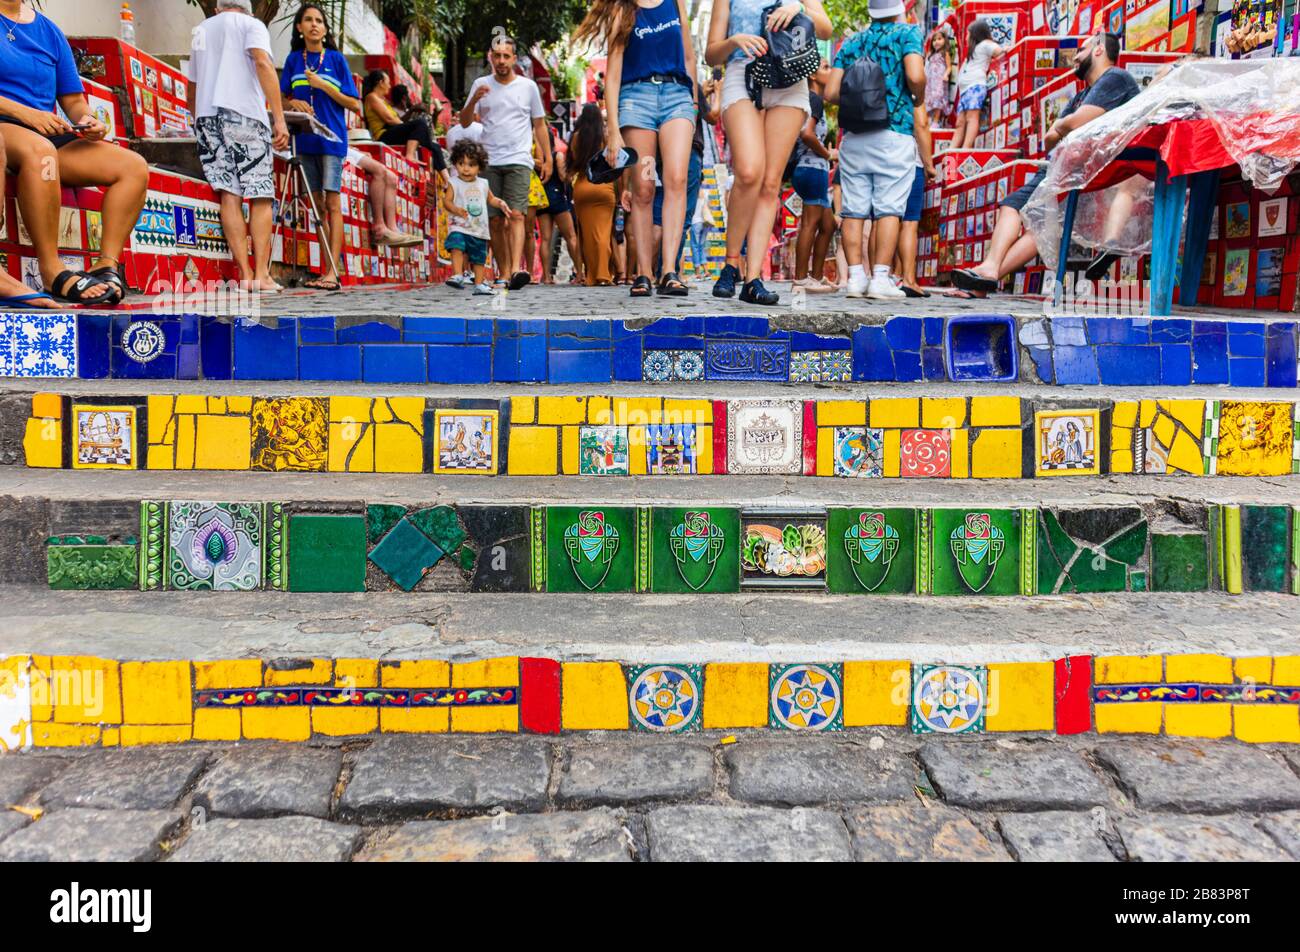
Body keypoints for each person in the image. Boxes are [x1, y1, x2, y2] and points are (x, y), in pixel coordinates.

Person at [953, 31, 1139, 294]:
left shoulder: (1115, 78)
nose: (1075, 57)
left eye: (1082, 50)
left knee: (1032, 222)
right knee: (1014, 209)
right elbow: (1050, 138)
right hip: (1066, 168)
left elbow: (1073, 123)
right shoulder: (1080, 96)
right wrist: (1067, 126)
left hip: (1092, 171)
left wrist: (1066, 125)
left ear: (1099, 49)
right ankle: (987, 274)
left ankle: (985, 276)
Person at [0, 0, 149, 306]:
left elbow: (73, 100)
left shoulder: (49, 31)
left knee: (132, 167)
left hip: (50, 132)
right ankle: (52, 269)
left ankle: (106, 263)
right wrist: (28, 114)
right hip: (8, 126)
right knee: (41, 154)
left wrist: (87, 120)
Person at [706, 0, 833, 304]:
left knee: (771, 182)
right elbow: (711, 53)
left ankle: (753, 279)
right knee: (749, 171)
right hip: (743, 73)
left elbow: (826, 29)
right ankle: (731, 263)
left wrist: (798, 11)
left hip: (789, 75)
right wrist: (734, 41)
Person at [576, 0, 698, 297]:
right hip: (636, 99)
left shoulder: (675, 3)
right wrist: (614, 131)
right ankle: (643, 272)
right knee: (643, 188)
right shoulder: (623, 10)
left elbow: (689, 56)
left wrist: (693, 102)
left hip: (676, 97)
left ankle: (668, 270)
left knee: (677, 179)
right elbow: (613, 75)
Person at [823, 0, 924, 300]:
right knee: (890, 208)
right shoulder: (907, 34)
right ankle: (880, 277)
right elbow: (916, 75)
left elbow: (830, 92)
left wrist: (861, 102)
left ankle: (855, 277)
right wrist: (915, 96)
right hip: (895, 132)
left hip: (856, 136)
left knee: (853, 209)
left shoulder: (852, 41)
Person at [187, 0, 289, 294]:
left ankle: (244, 275)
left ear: (218, 8)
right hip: (244, 115)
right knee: (259, 194)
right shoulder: (252, 25)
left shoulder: (201, 30)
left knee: (229, 194)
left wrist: (196, 120)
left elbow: (192, 85)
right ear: (248, 9)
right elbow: (262, 61)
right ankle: (261, 275)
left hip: (207, 118)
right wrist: (279, 119)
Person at [461, 35, 552, 290]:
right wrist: (474, 100)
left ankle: (514, 271)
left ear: (514, 59)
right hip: (489, 161)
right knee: (494, 221)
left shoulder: (528, 87)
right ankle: (502, 271)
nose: (501, 60)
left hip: (519, 160)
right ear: (491, 57)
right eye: (496, 55)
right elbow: (465, 121)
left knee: (517, 215)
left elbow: (539, 125)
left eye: (506, 56)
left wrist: (548, 158)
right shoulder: (481, 84)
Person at [280, 3, 359, 291]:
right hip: (304, 140)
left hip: (333, 139)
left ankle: (332, 273)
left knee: (333, 202)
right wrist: (292, 103)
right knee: (317, 206)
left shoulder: (336, 60)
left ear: (325, 29)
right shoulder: (292, 61)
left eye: (319, 21)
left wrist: (323, 86)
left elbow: (353, 103)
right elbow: (280, 97)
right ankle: (327, 267)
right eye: (308, 20)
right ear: (299, 28)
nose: (314, 25)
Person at [443, 138, 518, 295]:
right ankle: (457, 275)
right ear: (455, 163)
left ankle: (479, 283)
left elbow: (491, 199)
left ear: (480, 167)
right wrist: (456, 210)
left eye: (471, 165)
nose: (466, 169)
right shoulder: (453, 182)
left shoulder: (483, 183)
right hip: (460, 225)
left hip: (479, 229)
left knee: (479, 257)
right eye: (461, 163)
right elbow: (447, 202)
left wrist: (501, 203)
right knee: (456, 245)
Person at [791, 59, 837, 293]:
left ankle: (816, 277)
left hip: (811, 169)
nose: (830, 72)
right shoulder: (814, 99)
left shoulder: (809, 100)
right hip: (812, 168)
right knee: (810, 223)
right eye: (826, 68)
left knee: (828, 225)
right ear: (813, 75)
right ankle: (800, 280)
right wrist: (827, 153)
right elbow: (807, 134)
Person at [363, 70, 448, 181]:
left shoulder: (383, 101)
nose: (389, 86)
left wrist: (409, 126)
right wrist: (410, 127)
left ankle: (448, 181)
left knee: (434, 146)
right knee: (420, 123)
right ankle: (410, 155)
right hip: (383, 135)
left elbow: (396, 120)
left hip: (392, 131)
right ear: (380, 82)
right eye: (388, 82)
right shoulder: (372, 97)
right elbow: (389, 119)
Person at [567, 103, 616, 286]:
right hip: (603, 187)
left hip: (582, 186)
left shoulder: (576, 137)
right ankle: (604, 275)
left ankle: (591, 276)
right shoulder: (605, 137)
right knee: (603, 234)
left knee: (587, 235)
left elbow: (572, 160)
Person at [537, 123, 582, 284]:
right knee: (571, 236)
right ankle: (579, 274)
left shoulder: (537, 160)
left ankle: (546, 276)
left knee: (545, 239)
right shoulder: (557, 156)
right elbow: (563, 177)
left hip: (542, 199)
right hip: (557, 198)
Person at [953, 20, 1002, 149]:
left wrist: (1004, 51)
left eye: (968, 34)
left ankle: (965, 149)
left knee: (971, 117)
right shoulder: (972, 51)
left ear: (975, 34)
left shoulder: (985, 45)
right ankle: (951, 151)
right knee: (960, 122)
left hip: (975, 86)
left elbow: (998, 50)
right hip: (965, 90)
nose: (966, 37)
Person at [924, 28, 952, 129]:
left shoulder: (945, 53)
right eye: (934, 40)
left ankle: (936, 121)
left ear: (945, 40)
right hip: (931, 81)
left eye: (939, 39)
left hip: (939, 80)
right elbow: (926, 67)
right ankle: (929, 119)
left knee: (938, 99)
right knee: (930, 99)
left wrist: (945, 75)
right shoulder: (931, 54)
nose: (936, 42)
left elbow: (949, 67)